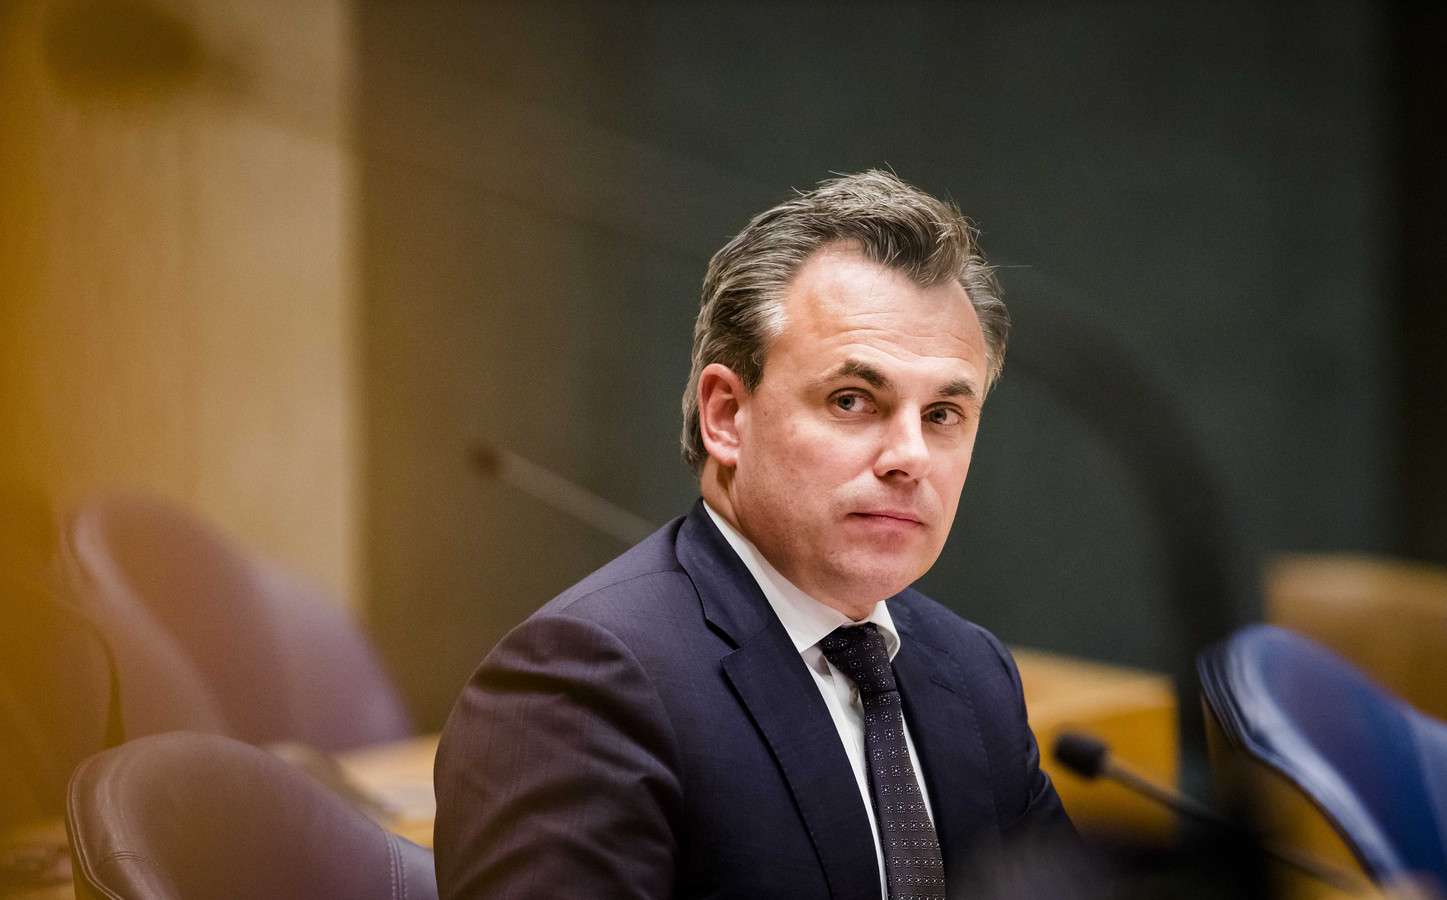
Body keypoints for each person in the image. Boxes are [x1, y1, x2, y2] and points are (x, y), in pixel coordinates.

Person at [434, 170, 1074, 900]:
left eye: (942, 415)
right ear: (726, 417)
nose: (910, 457)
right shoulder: (583, 689)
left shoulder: (972, 672)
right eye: (852, 400)